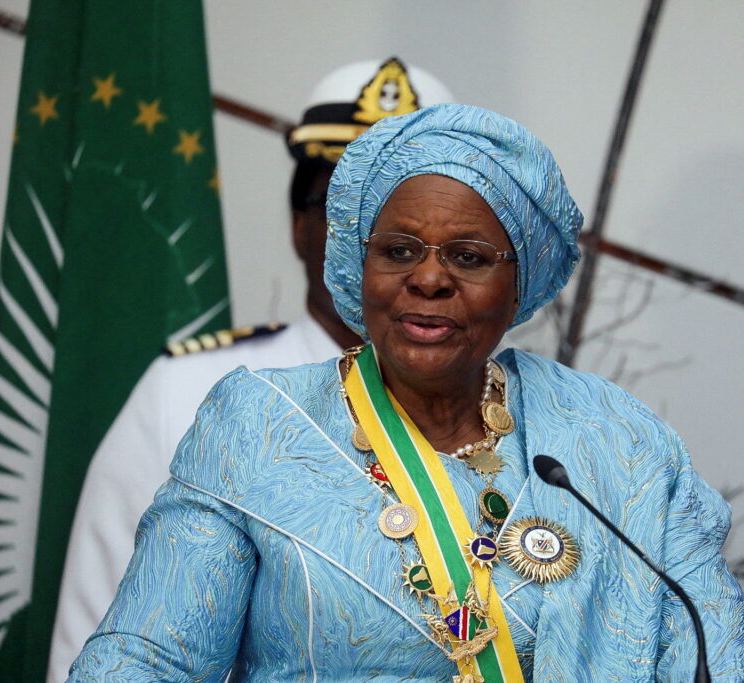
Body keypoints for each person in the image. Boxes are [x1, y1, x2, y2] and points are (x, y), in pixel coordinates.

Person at [68, 104, 744, 681]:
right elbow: (145, 661)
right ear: (360, 265)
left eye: (468, 257)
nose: (428, 279)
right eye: (398, 250)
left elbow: (722, 658)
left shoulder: (618, 442)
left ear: (518, 284)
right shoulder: (256, 425)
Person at [47, 58, 454, 682]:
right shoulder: (186, 390)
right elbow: (100, 638)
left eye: (409, 216)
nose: (380, 239)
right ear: (300, 226)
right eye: (347, 208)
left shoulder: (523, 417)